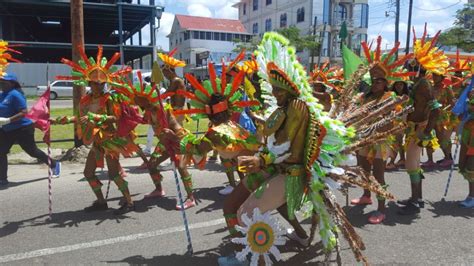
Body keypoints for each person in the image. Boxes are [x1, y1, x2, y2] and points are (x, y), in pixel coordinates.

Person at [53, 46, 137, 214]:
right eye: (94, 83)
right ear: (89, 82)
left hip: (110, 141)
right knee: (88, 173)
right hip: (97, 142)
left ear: (104, 83)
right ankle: (101, 201)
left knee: (114, 174)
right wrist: (61, 120)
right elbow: (80, 117)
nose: (97, 86)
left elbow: (116, 119)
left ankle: (129, 202)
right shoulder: (85, 100)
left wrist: (97, 118)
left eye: (100, 83)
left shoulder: (109, 99)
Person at [350, 37, 412, 224]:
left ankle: (381, 209)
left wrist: (375, 127)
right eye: (373, 80)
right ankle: (366, 195)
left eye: (379, 80)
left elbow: (391, 122)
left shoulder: (390, 97)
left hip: (380, 141)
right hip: (363, 139)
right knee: (362, 170)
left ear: (386, 83)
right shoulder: (364, 97)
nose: (375, 83)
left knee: (378, 174)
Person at [114, 72, 197, 210]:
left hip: (178, 139)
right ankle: (159, 190)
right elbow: (142, 120)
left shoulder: (161, 108)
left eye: (137, 99)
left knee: (181, 167)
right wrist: (126, 118)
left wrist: (172, 136)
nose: (135, 102)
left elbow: (173, 127)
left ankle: (191, 198)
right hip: (164, 142)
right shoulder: (148, 110)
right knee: (151, 164)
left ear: (145, 99)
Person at [397, 25, 447, 215]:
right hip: (414, 127)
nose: (408, 66)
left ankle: (416, 201)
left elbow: (435, 108)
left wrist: (427, 130)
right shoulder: (418, 84)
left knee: (411, 164)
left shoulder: (423, 84)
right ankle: (416, 198)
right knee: (414, 163)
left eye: (412, 64)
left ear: (419, 67)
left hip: (419, 128)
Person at [0, 73, 61, 186]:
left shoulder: (15, 95)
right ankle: (2, 179)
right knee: (1, 152)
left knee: (32, 151)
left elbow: (24, 112)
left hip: (23, 129)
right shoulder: (2, 94)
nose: (1, 83)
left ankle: (54, 164)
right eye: (1, 81)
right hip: (6, 129)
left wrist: (8, 120)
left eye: (4, 81)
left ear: (12, 83)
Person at [454, 85, 474, 208]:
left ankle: (472, 196)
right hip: (468, 136)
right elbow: (460, 116)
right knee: (467, 165)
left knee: (472, 167)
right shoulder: (468, 91)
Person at [159, 48, 187, 125]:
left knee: (177, 133)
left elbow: (166, 94)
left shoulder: (176, 81)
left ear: (169, 71)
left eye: (165, 73)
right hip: (176, 110)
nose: (165, 76)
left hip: (178, 111)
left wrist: (154, 98)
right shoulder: (175, 80)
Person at [386, 80, 409, 170]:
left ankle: (392, 162)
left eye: (401, 84)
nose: (399, 86)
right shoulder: (391, 96)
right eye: (397, 84)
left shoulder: (408, 98)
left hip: (401, 122)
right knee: (398, 142)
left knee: (396, 142)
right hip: (392, 122)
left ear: (404, 86)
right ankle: (402, 159)